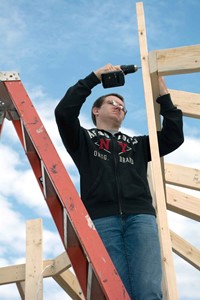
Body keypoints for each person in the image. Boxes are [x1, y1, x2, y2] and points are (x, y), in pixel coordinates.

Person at [55, 64, 184, 300]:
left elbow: (173, 137)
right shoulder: (83, 140)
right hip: (101, 220)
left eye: (123, 107)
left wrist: (164, 97)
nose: (119, 108)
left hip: (141, 218)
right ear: (96, 110)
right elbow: (64, 112)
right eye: (112, 103)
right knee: (115, 293)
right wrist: (94, 78)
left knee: (149, 291)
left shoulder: (138, 145)